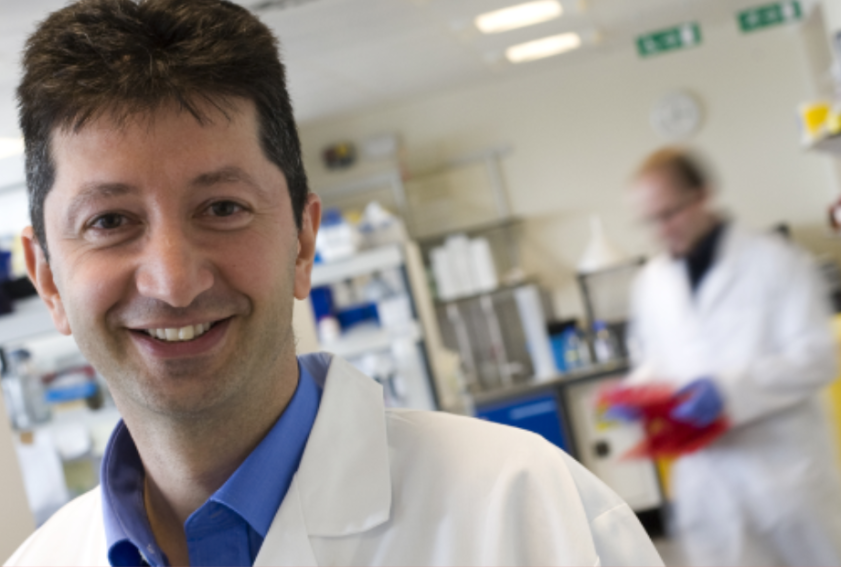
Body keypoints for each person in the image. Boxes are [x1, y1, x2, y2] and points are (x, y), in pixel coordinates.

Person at [4, 1, 663, 565]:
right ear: (47, 280)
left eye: (223, 208)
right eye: (109, 221)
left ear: (303, 240)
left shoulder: (531, 514)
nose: (173, 280)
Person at [624, 147, 841, 566]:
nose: (661, 230)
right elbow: (655, 359)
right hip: (708, 486)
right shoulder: (651, 284)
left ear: (702, 195)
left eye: (669, 213)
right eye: (650, 220)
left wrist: (729, 393)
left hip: (783, 476)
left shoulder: (776, 262)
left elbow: (818, 357)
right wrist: (638, 395)